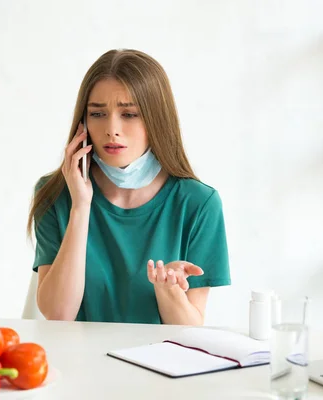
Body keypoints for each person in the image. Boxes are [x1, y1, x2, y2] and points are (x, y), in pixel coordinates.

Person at [27, 49, 231, 325]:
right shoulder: (54, 194)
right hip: (79, 364)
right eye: (97, 113)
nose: (112, 128)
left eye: (130, 114)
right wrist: (80, 206)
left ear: (156, 120)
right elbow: (58, 314)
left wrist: (167, 290)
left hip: (158, 366)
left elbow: (191, 331)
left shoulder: (199, 203)